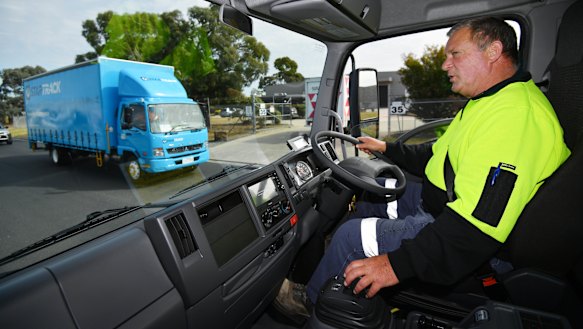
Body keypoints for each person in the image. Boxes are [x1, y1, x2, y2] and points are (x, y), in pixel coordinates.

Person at [275, 16, 571, 319]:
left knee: (350, 236)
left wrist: (393, 265)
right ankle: (335, 267)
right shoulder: (488, 101)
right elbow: (439, 156)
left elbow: (473, 230)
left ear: (493, 51)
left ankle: (311, 305)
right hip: (439, 204)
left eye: (455, 54)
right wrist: (386, 149)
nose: (446, 64)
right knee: (372, 199)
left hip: (469, 241)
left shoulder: (515, 118)